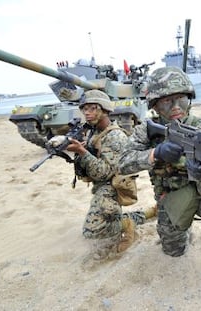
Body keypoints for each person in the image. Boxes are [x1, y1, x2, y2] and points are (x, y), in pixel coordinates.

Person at [118, 66, 201, 297]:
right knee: (173, 250)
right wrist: (155, 154)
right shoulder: (147, 130)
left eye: (182, 100)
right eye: (167, 102)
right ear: (155, 105)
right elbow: (123, 164)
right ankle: (182, 230)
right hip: (171, 198)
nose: (176, 108)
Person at [51, 89, 156, 259]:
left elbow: (105, 173)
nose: (87, 113)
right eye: (85, 109)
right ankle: (145, 214)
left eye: (93, 108)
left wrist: (81, 151)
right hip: (103, 185)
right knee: (105, 219)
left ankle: (127, 223)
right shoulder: (95, 131)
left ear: (105, 110)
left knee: (92, 231)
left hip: (113, 186)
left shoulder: (115, 136)